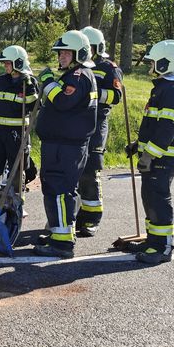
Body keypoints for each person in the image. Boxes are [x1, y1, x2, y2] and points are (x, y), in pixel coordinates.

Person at [33, 29, 98, 258]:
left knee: (60, 191)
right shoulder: (72, 75)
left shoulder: (78, 76)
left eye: (66, 53)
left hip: (66, 147)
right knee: (55, 189)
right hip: (61, 145)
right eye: (60, 53)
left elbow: (63, 101)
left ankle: (62, 244)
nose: (61, 57)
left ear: (79, 54)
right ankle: (59, 235)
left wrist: (48, 82)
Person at [126, 39, 174, 265]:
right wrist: (138, 144)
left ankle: (162, 248)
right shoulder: (163, 89)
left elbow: (166, 129)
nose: (150, 66)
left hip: (162, 157)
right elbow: (155, 125)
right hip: (157, 155)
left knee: (158, 200)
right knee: (150, 199)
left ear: (165, 64)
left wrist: (149, 155)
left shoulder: (171, 91)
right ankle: (153, 241)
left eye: (153, 62)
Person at [75, 26, 124, 236]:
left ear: (97, 47)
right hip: (77, 123)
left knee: (90, 170)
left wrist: (91, 92)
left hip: (97, 123)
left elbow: (116, 96)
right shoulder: (77, 66)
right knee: (75, 169)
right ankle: (75, 215)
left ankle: (92, 218)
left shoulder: (108, 68)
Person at [0, 45, 39, 189]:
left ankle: (16, 199)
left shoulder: (29, 84)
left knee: (17, 170)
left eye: (7, 63)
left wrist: (31, 89)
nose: (5, 66)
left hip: (17, 133)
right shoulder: (0, 81)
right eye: (4, 63)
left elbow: (35, 107)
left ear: (18, 63)